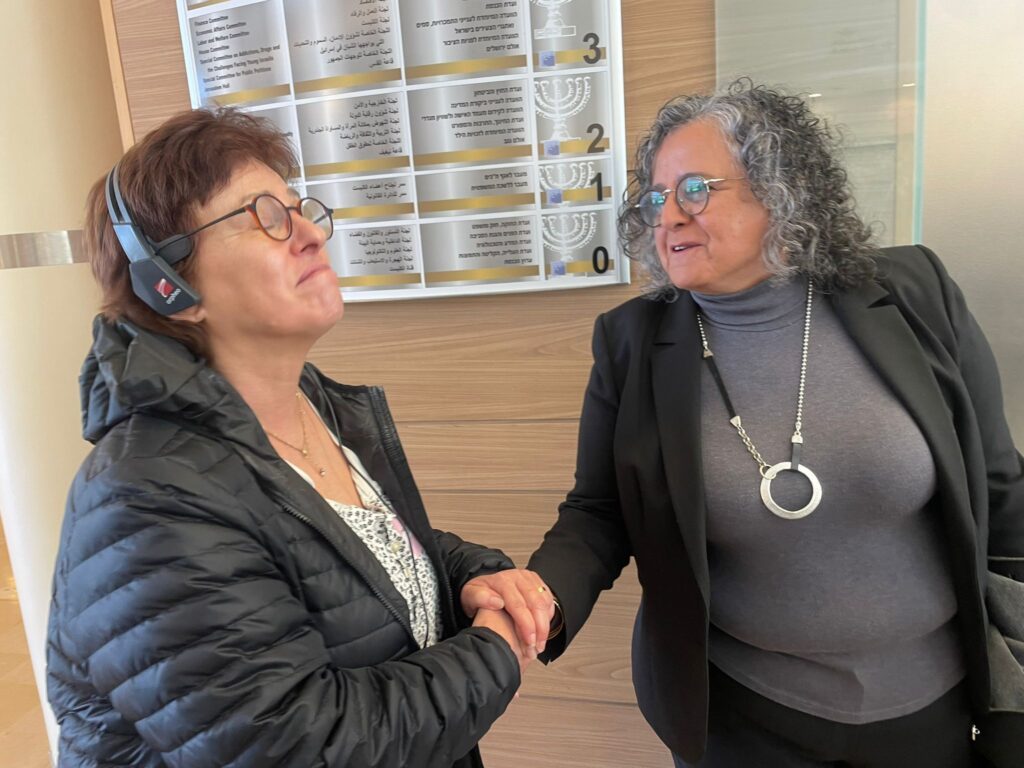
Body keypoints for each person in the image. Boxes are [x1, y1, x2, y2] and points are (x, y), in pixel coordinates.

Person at [466, 79, 1024, 766]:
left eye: (695, 189)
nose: (668, 216)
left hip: (933, 707)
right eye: (655, 198)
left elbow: (1003, 495)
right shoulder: (632, 341)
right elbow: (599, 511)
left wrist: (1016, 701)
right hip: (743, 718)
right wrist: (537, 600)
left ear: (781, 189)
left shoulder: (913, 292)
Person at [45, 107, 546, 768]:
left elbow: (368, 555)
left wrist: (475, 575)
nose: (309, 234)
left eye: (296, 208)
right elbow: (298, 745)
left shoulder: (311, 402)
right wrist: (496, 648)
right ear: (171, 288)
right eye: (262, 216)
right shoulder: (143, 497)